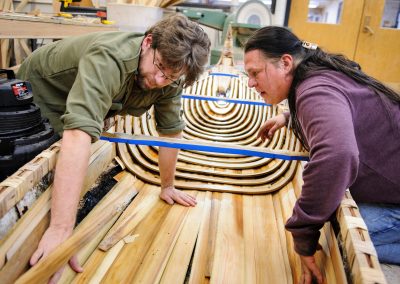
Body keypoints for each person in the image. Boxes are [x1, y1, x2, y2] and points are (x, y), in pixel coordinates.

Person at [17, 14, 210, 283]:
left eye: (170, 76)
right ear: (147, 42)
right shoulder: (111, 58)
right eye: (159, 67)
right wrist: (61, 230)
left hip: (81, 93)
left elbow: (170, 131)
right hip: (43, 91)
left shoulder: (171, 75)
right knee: (37, 153)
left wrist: (168, 185)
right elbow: (78, 134)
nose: (159, 79)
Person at [244, 26, 400, 284]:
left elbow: (338, 154)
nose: (250, 83)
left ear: (285, 63)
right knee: (331, 215)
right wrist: (289, 117)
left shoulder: (314, 89)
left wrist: (302, 233)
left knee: (341, 242)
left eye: (255, 73)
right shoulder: (318, 74)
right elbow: (339, 105)